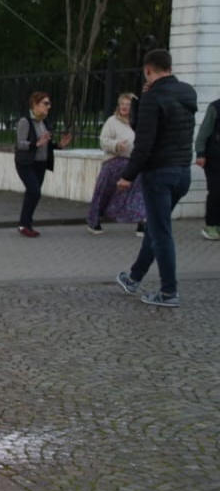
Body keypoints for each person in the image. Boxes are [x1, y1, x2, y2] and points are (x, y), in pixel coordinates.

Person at [115, 49, 196, 308]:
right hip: (183, 172)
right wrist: (143, 103)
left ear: (148, 70)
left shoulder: (154, 98)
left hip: (159, 173)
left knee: (160, 233)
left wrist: (127, 176)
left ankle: (169, 292)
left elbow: (144, 144)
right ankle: (134, 277)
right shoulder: (187, 92)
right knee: (154, 227)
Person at [13, 91, 71, 237]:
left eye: (49, 104)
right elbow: (20, 144)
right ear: (35, 105)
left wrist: (60, 145)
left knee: (34, 194)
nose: (48, 107)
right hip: (26, 163)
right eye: (45, 103)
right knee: (34, 191)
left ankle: (26, 224)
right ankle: (23, 225)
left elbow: (47, 145)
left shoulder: (45, 122)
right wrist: (36, 143)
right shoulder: (25, 122)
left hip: (41, 163)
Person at [86, 93, 145, 234]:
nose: (124, 107)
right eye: (122, 104)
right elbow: (103, 140)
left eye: (128, 105)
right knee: (104, 192)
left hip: (133, 163)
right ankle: (94, 221)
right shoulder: (112, 121)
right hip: (114, 162)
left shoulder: (139, 122)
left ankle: (141, 222)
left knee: (139, 192)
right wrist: (116, 145)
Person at [197, 95, 220, 240]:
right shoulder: (215, 107)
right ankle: (211, 225)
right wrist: (200, 153)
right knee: (216, 190)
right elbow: (204, 132)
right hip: (215, 157)